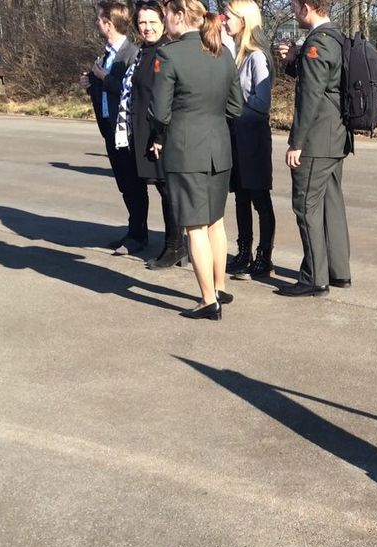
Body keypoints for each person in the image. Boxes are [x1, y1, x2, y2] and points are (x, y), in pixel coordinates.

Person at [149, 0, 242, 320]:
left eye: (165, 16)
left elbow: (159, 112)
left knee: (195, 227)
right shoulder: (223, 52)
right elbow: (236, 108)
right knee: (216, 221)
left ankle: (207, 300)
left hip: (186, 151)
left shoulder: (170, 54)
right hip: (219, 148)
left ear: (177, 16)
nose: (164, 22)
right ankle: (219, 286)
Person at [274, 0, 353, 297]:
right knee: (331, 204)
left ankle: (314, 278)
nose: (294, 13)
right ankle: (338, 271)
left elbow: (310, 98)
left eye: (294, 7)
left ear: (307, 6)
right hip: (336, 137)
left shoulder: (317, 43)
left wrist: (297, 143)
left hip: (318, 139)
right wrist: (296, 60)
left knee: (306, 205)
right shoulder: (336, 37)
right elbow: (326, 83)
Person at [118, 0, 185, 269]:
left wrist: (160, 134)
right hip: (143, 129)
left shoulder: (166, 52)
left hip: (160, 132)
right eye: (142, 23)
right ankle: (174, 244)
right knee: (162, 189)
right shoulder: (143, 52)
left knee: (169, 191)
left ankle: (175, 247)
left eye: (152, 22)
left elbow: (169, 98)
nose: (146, 28)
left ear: (163, 23)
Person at [81, 0, 150, 255]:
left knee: (133, 183)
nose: (97, 23)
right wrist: (91, 85)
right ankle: (134, 230)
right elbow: (107, 89)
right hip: (109, 128)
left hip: (126, 131)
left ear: (109, 24)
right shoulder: (106, 53)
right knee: (124, 183)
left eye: (99, 19)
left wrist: (104, 78)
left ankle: (138, 235)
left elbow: (130, 92)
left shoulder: (132, 54)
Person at [223, 0, 275, 280]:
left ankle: (264, 257)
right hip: (236, 137)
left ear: (244, 20)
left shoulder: (256, 56)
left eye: (228, 16)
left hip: (253, 139)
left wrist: (232, 105)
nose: (224, 21)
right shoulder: (236, 54)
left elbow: (262, 102)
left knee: (259, 198)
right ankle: (243, 252)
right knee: (240, 198)